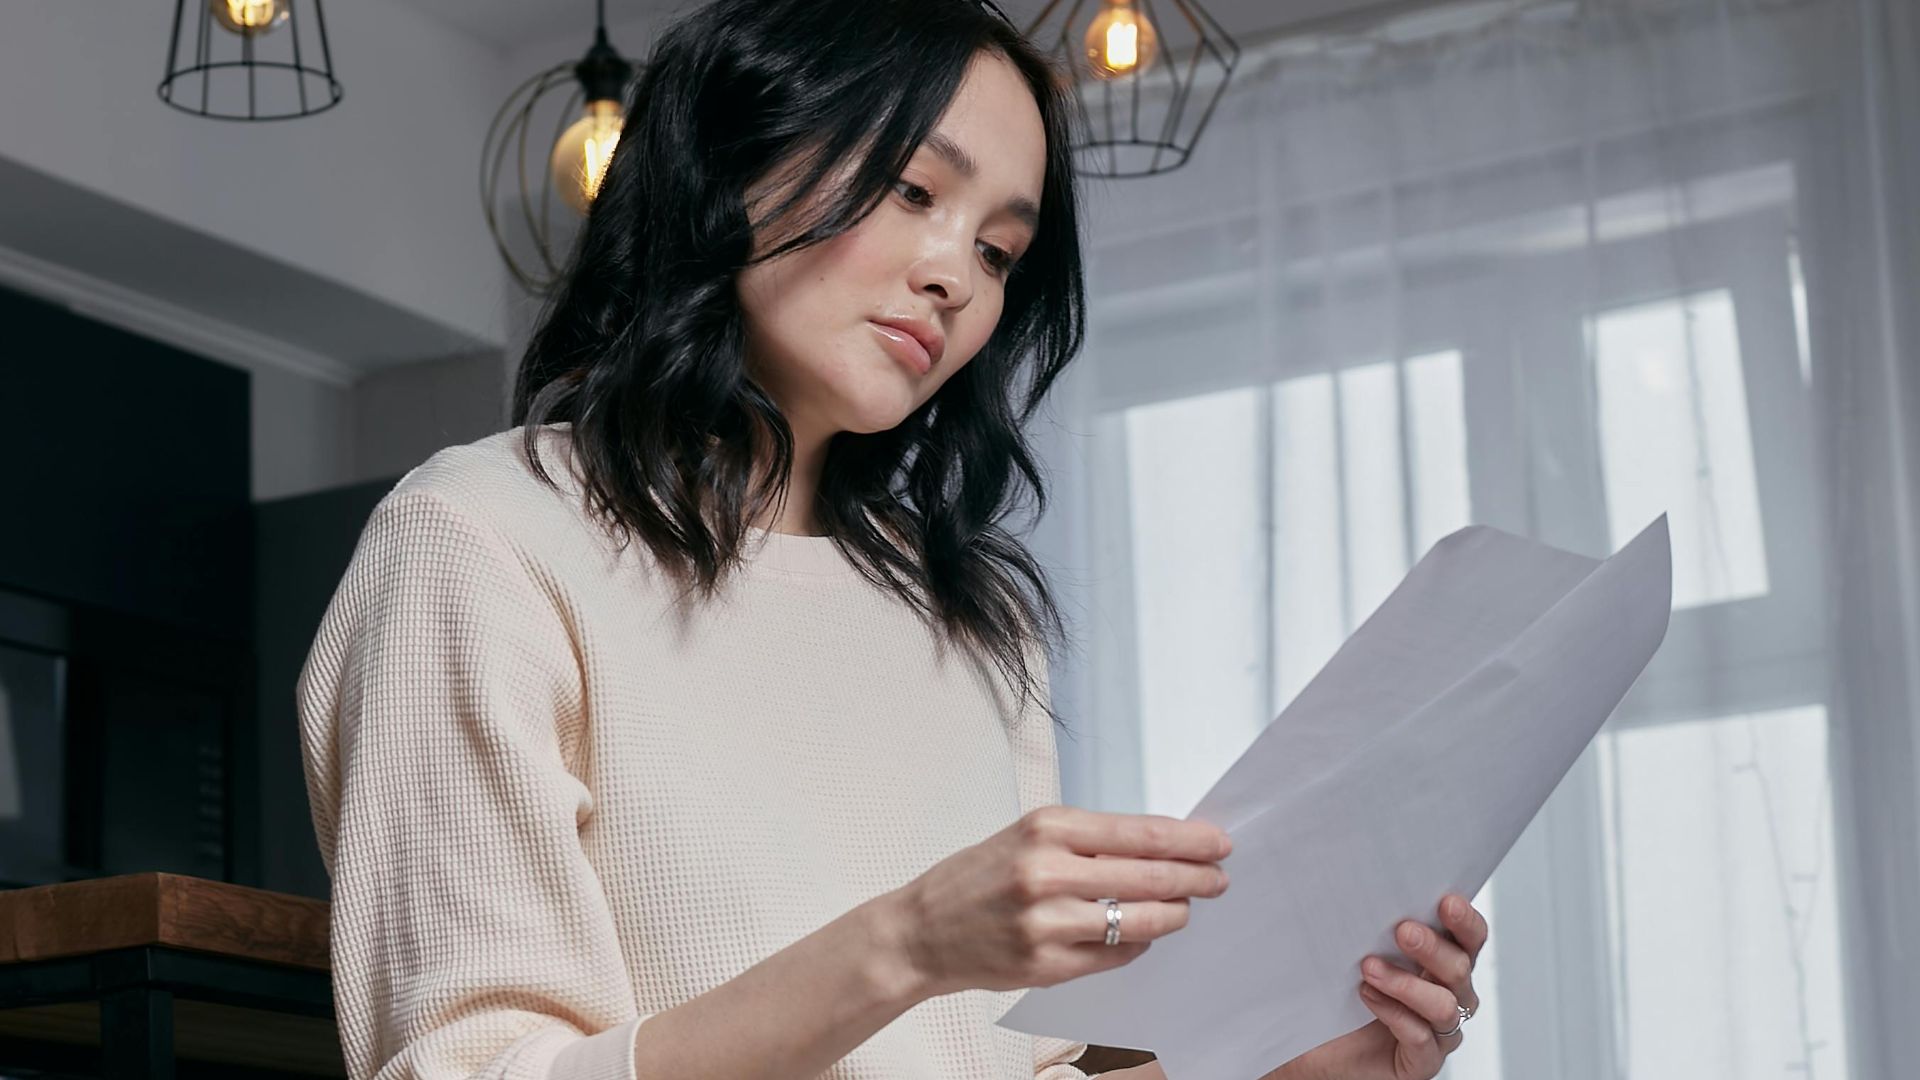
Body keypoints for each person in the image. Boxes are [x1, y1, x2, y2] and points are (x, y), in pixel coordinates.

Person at [295, 0, 1489, 1077]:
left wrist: (1283, 1067)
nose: (955, 278)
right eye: (916, 192)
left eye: (998, 251)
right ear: (736, 158)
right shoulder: (483, 539)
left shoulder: (970, 614)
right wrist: (907, 943)